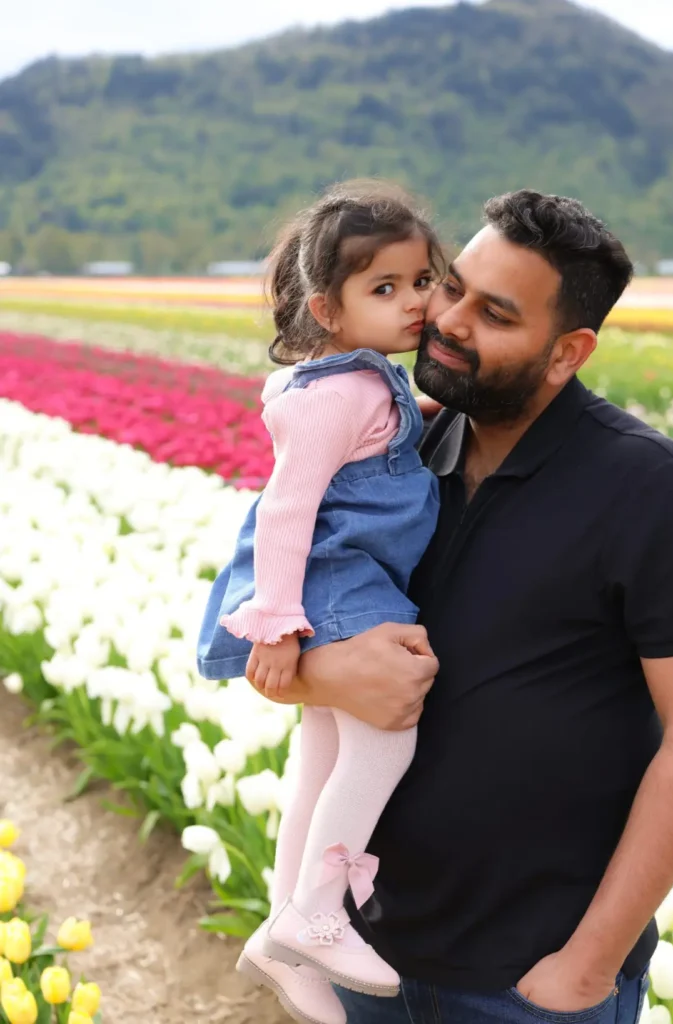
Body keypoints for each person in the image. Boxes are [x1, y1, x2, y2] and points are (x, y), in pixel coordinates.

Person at [252, 190, 673, 1024]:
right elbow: (253, 634)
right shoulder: (392, 453)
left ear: (567, 352)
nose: (444, 317)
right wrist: (317, 669)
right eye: (450, 287)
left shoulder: (648, 488)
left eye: (493, 313)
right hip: (365, 955)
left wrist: (584, 969)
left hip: (527, 981)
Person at [197, 180, 445, 1024]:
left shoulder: (357, 381)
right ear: (325, 310)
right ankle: (316, 909)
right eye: (384, 289)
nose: (413, 302)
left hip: (345, 579)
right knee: (386, 736)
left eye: (420, 281)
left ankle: (280, 930)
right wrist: (274, 622)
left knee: (318, 759)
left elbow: (380, 435)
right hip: (339, 585)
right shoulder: (336, 395)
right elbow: (286, 507)